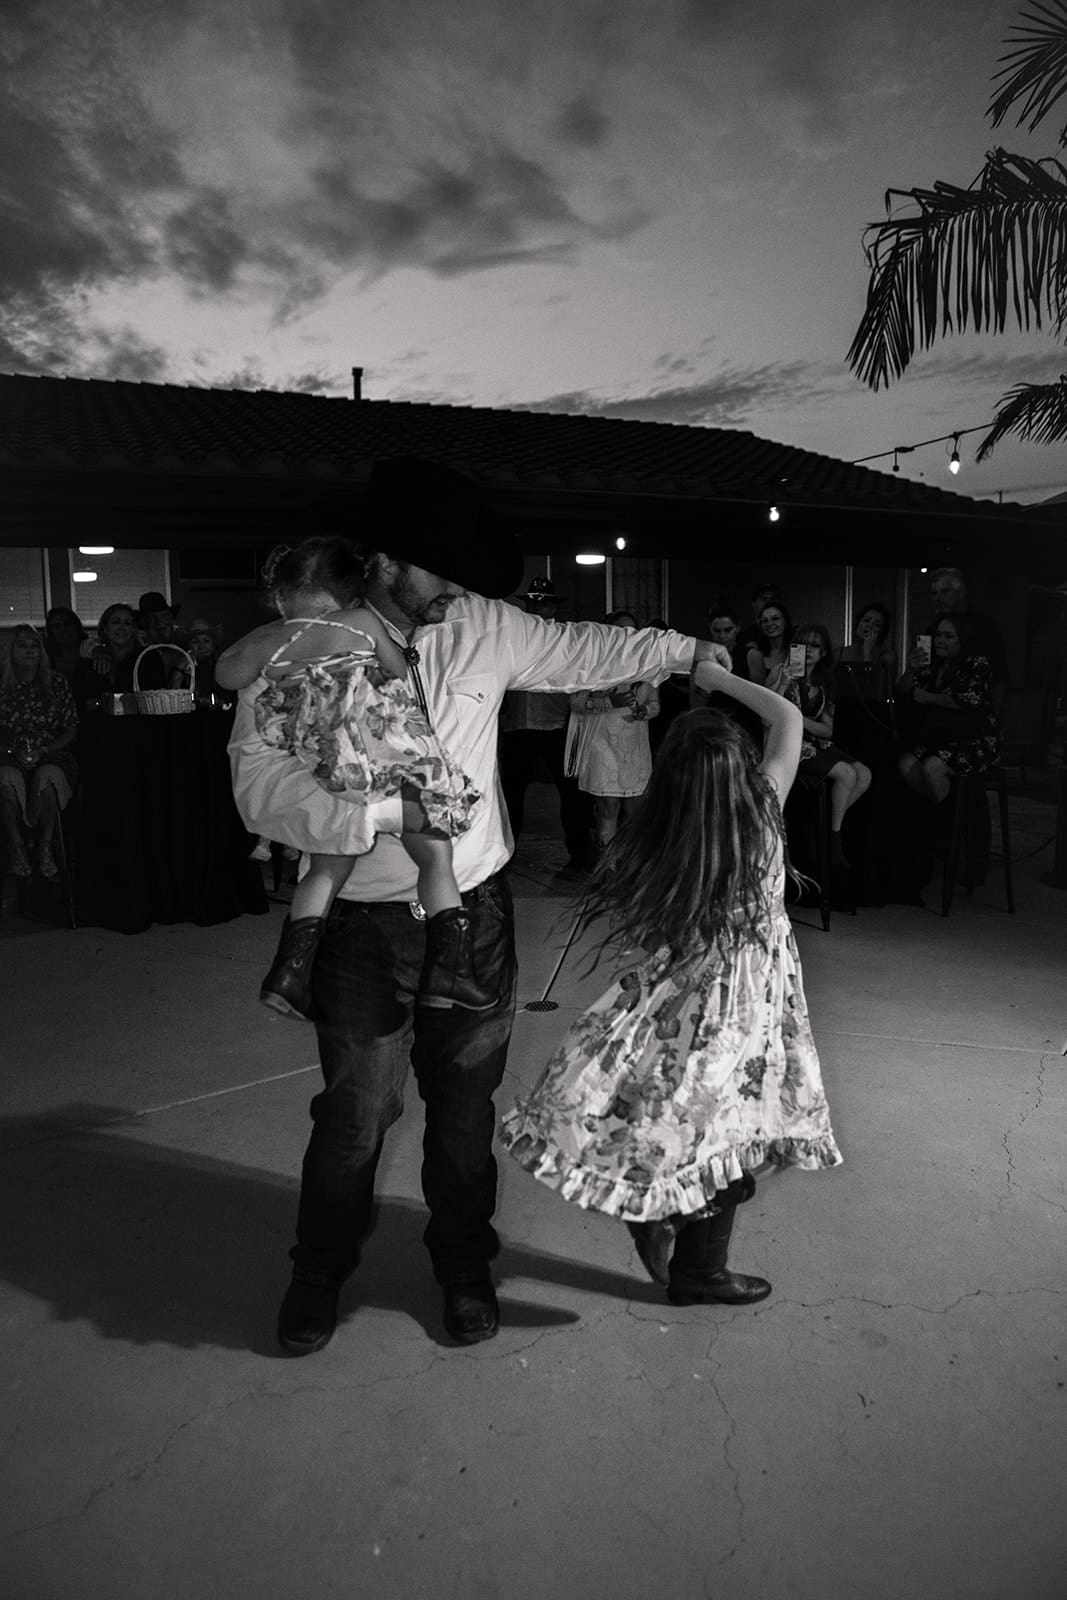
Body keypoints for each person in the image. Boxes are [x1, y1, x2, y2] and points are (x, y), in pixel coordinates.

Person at [215, 455, 734, 1356]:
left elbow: (583, 653)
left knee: (463, 1116)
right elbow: (257, 786)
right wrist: (373, 811)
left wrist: (686, 651)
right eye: (437, 569)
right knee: (355, 1117)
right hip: (359, 929)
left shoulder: (483, 626)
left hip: (476, 916)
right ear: (382, 561)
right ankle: (318, 1270)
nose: (455, 589)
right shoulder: (304, 644)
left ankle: (462, 1266)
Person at [500, 660, 842, 1306]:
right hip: (742, 1014)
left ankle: (676, 1236)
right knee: (729, 1136)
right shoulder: (764, 807)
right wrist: (718, 678)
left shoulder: (668, 837)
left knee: (701, 1128)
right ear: (741, 767)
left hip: (677, 1002)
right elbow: (788, 718)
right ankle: (689, 1254)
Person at [222, 537, 489, 1021]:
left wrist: (280, 651)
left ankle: (288, 973)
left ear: (280, 596)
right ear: (351, 593)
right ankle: (451, 969)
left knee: (326, 866)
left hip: (328, 768)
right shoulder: (361, 622)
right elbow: (397, 672)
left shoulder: (268, 638)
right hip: (384, 761)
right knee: (435, 852)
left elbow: (226, 674)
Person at [498, 577, 594, 869]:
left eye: (543, 603)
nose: (538, 608)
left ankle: (580, 852)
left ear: (553, 607)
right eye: (533, 603)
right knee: (511, 794)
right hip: (517, 726)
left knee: (572, 793)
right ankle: (505, 855)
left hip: (557, 725)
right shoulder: (512, 637)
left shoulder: (563, 639)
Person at [565, 610, 660, 854]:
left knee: (635, 808)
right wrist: (609, 702)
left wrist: (644, 711)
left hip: (634, 744)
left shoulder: (645, 665)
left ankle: (630, 863)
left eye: (631, 631)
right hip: (601, 741)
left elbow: (655, 704)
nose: (625, 635)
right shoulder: (593, 665)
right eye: (619, 630)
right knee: (608, 805)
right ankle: (609, 864)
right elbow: (576, 704)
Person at [787, 623, 872, 866]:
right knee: (846, 773)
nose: (809, 650)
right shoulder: (782, 674)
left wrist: (800, 720)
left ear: (824, 652)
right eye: (803, 644)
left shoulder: (823, 683)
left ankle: (826, 825)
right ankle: (834, 841)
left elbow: (828, 730)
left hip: (815, 741)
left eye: (815, 645)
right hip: (790, 743)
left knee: (864, 774)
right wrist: (783, 681)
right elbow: (769, 716)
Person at [0, 625, 79, 879]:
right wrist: (13, 750)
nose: (29, 650)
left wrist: (44, 750)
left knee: (49, 776)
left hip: (50, 751)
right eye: (23, 645)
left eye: (35, 645)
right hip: (8, 753)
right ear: (11, 650)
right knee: (6, 779)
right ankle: (17, 846)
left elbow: (71, 728)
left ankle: (45, 846)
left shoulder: (56, 682)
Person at [896, 613, 1000, 804]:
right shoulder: (932, 664)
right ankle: (939, 814)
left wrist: (928, 697)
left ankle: (949, 823)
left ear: (962, 640)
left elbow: (970, 701)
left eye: (948, 636)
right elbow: (902, 693)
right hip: (938, 736)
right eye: (938, 635)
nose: (940, 641)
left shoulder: (977, 663)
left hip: (973, 739)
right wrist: (910, 670)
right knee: (905, 763)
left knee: (932, 766)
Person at [136, 591, 184, 689]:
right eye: (152, 618)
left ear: (171, 619)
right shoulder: (135, 653)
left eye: (164, 616)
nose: (159, 622)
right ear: (144, 623)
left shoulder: (184, 650)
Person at [169, 616, 223, 701]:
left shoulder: (222, 667)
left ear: (213, 645)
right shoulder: (180, 669)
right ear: (188, 646)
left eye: (206, 641)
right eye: (195, 642)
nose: (202, 647)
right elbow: (171, 697)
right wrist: (180, 668)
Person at [745, 598, 793, 686]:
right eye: (765, 621)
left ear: (785, 621)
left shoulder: (796, 650)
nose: (770, 624)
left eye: (775, 618)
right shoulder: (754, 652)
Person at [43, 606, 89, 689]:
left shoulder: (91, 652)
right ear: (51, 631)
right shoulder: (45, 658)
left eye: (67, 624)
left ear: (76, 626)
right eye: (57, 626)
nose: (63, 629)